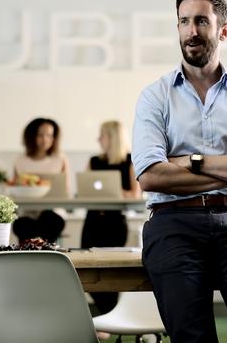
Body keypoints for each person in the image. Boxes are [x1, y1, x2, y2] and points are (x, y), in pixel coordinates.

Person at [132, 0, 227, 343]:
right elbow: (151, 176)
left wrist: (190, 163)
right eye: (183, 21)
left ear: (223, 30)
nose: (191, 31)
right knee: (192, 339)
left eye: (201, 20)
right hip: (173, 225)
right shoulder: (155, 96)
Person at [81, 120, 141, 315]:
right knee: (85, 269)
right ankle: (109, 314)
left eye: (102, 135)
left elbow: (135, 194)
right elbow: (83, 190)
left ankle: (110, 316)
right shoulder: (93, 161)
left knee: (111, 270)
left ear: (112, 138)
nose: (98, 139)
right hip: (92, 221)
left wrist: (114, 193)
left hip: (114, 223)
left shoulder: (129, 161)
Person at [12, 118, 70, 243]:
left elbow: (65, 191)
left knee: (49, 218)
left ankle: (39, 249)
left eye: (49, 135)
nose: (45, 139)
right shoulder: (20, 161)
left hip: (53, 213)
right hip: (27, 213)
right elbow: (13, 191)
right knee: (22, 224)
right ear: (31, 136)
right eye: (40, 135)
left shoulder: (60, 159)